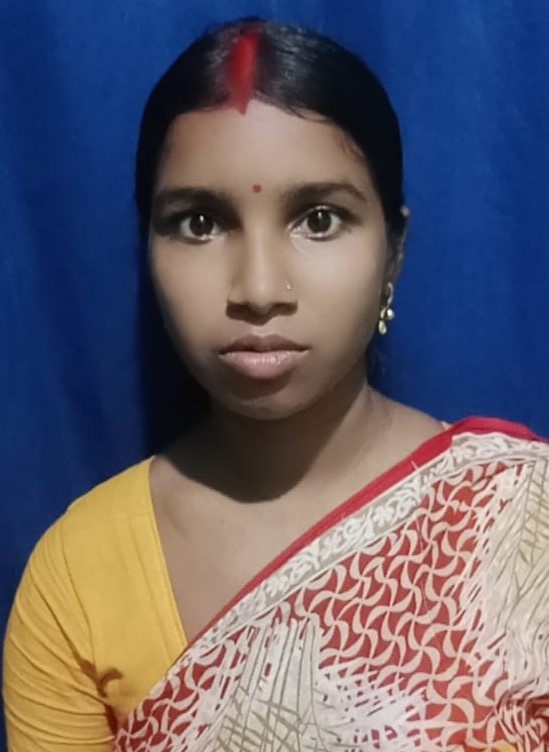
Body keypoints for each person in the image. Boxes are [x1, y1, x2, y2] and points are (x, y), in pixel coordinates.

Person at [3, 16, 549, 752]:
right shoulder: (78, 578)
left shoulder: (524, 523)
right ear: (148, 249)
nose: (258, 290)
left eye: (319, 219)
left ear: (394, 251)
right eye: (199, 223)